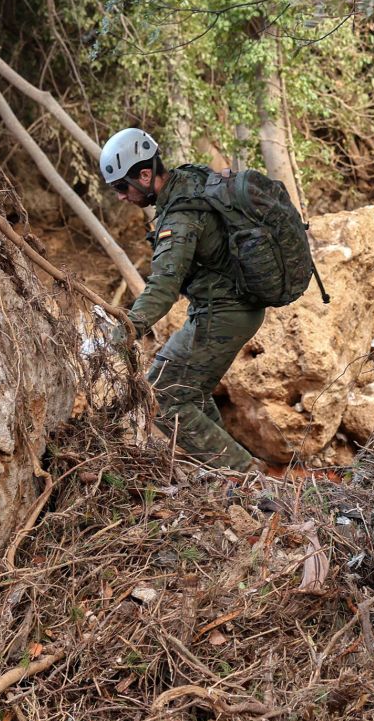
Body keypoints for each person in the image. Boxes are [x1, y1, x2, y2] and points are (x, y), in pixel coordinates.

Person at [98, 127, 262, 473]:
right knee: (192, 391)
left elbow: (163, 288)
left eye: (121, 188)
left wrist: (123, 331)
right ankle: (228, 471)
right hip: (230, 307)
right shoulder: (191, 178)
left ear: (145, 175)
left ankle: (247, 479)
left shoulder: (180, 215)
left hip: (224, 312)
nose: (121, 197)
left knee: (163, 394)